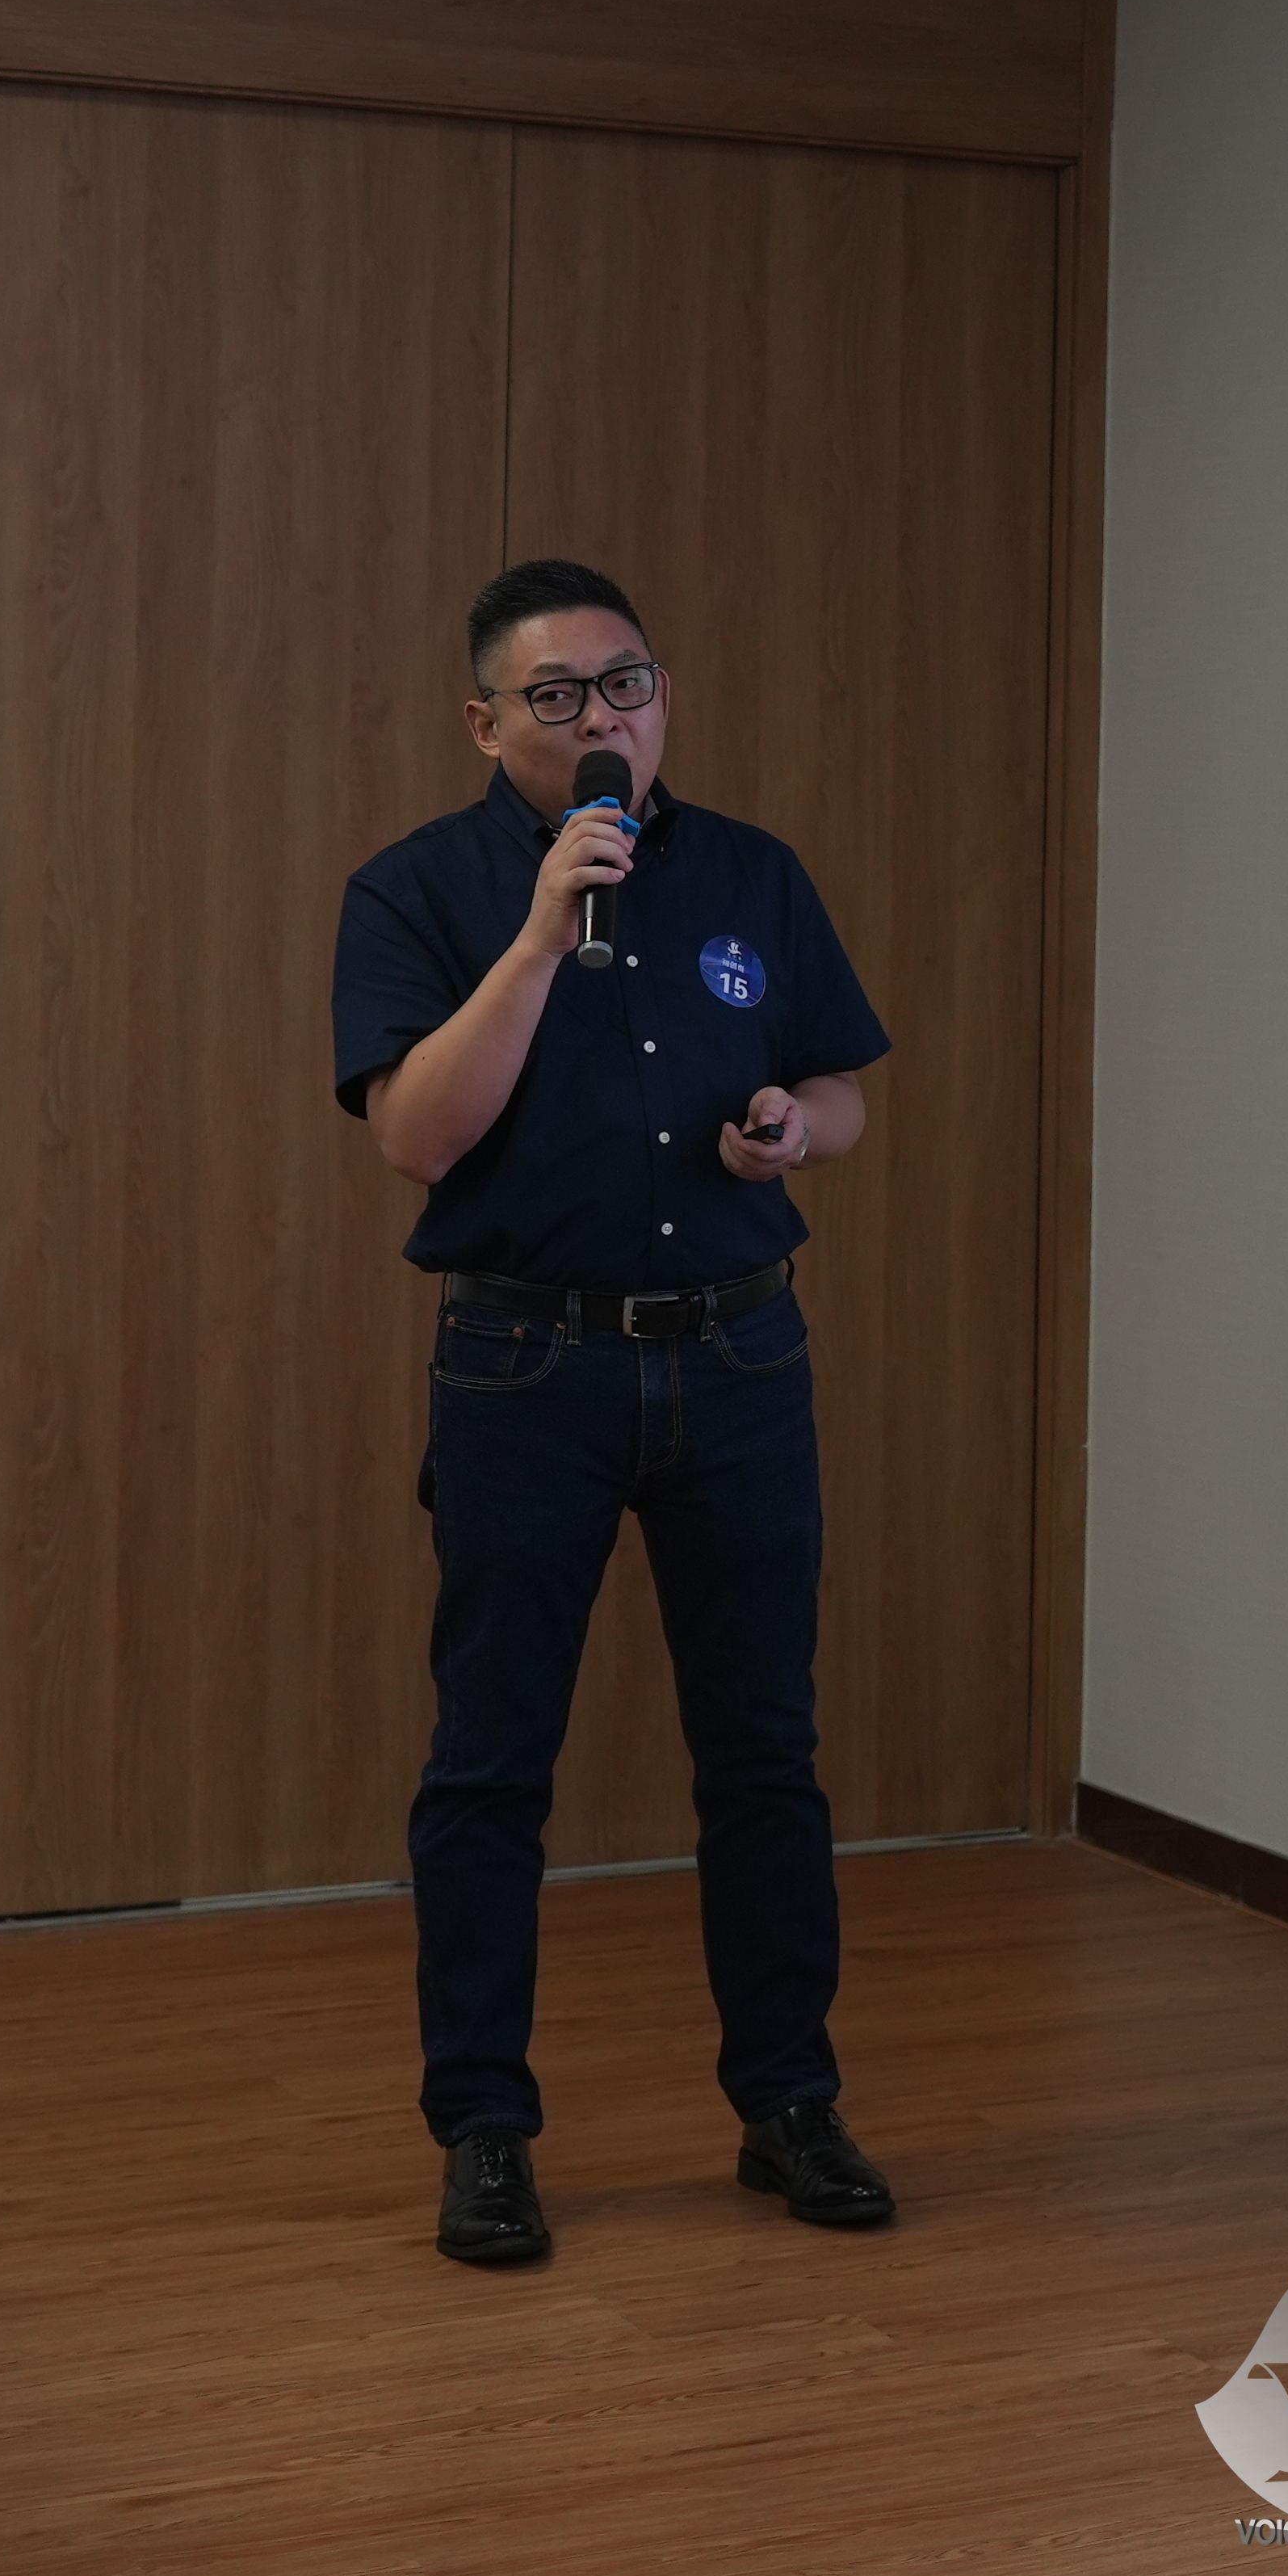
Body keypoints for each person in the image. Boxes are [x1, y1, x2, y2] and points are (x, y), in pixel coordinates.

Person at [330, 558, 900, 2268]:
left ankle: (790, 2101)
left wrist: (794, 1130)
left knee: (765, 1750)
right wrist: (535, 939)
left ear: (664, 696)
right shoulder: (416, 890)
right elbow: (415, 1138)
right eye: (561, 695)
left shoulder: (753, 872)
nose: (606, 719)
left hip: (739, 1361)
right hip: (529, 1369)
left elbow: (843, 1089)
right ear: (485, 723)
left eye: (628, 683)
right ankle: (486, 2128)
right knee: (493, 1758)